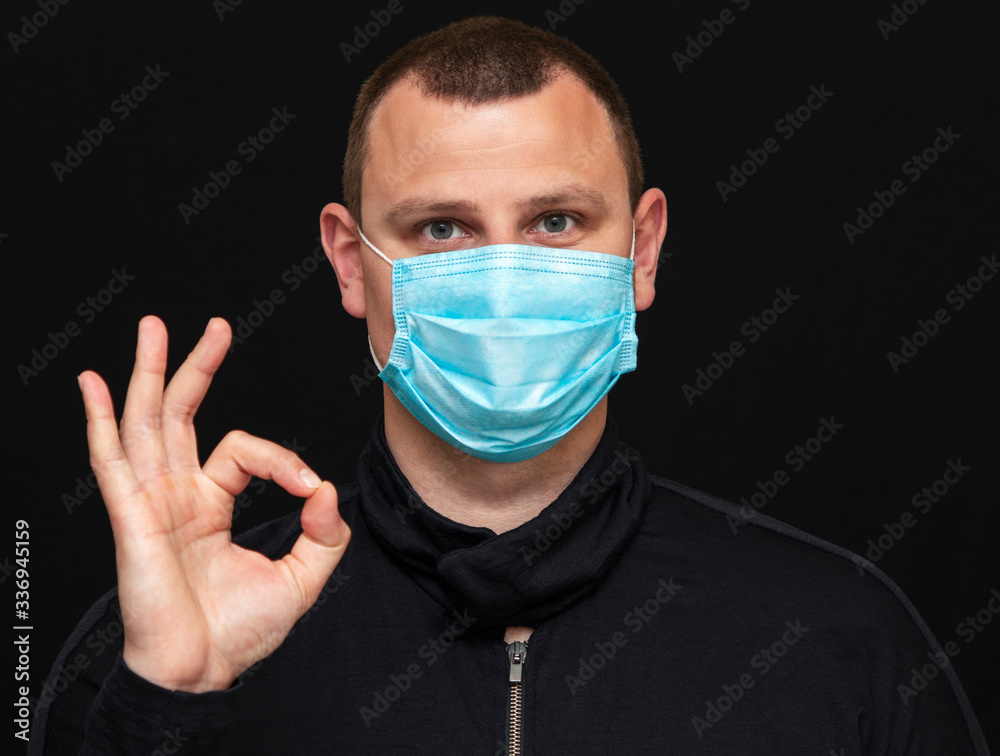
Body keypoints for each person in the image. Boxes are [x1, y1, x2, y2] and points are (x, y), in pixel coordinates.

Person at [30, 15, 988, 755]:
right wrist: (168, 703)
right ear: (351, 263)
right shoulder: (157, 643)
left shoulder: (838, 637)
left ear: (642, 250)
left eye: (556, 222)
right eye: (441, 229)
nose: (500, 282)